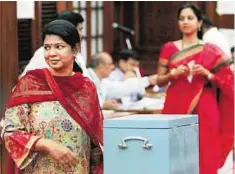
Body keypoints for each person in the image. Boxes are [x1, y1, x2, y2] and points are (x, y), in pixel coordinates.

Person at [1, 20, 103, 174]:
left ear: (75, 50)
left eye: (59, 47)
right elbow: (9, 132)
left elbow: (95, 139)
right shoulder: (30, 84)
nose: (51, 53)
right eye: (47, 47)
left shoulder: (86, 87)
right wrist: (46, 144)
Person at [156, 3, 234, 174]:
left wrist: (207, 74)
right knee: (175, 148)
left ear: (199, 23)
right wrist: (173, 74)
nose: (185, 22)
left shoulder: (211, 50)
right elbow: (159, 81)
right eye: (181, 18)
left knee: (206, 146)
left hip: (205, 104)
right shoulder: (169, 48)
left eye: (190, 18)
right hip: (175, 104)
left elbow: (229, 82)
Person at [20, 11, 88, 78]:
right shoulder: (42, 53)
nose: (81, 34)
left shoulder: (77, 55)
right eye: (79, 29)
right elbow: (24, 78)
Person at [87, 52, 158, 109]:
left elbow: (122, 88)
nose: (113, 67)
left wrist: (148, 80)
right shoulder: (87, 77)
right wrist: (102, 105)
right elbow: (86, 102)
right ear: (100, 66)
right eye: (110, 64)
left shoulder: (103, 81)